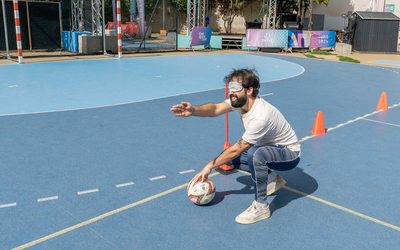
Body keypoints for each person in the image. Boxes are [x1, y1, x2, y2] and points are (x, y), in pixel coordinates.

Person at [170, 68, 301, 224]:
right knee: (226, 157)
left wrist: (209, 166)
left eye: (235, 89)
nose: (230, 93)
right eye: (229, 88)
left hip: (288, 154)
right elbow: (216, 109)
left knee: (253, 154)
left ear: (249, 90)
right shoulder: (240, 102)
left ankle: (261, 207)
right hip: (267, 150)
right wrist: (193, 110)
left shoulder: (261, 115)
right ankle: (272, 179)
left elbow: (238, 149)